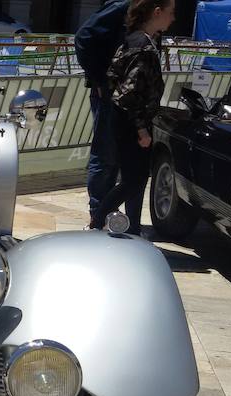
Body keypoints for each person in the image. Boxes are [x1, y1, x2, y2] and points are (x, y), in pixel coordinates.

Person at [90, 0, 175, 231]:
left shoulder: (133, 39)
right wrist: (141, 128)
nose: (173, 18)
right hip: (132, 123)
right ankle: (97, 222)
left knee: (133, 179)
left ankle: (132, 228)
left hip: (122, 119)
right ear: (157, 13)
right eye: (170, 12)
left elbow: (112, 76)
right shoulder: (144, 47)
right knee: (133, 180)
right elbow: (130, 92)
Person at [75, 0, 142, 231]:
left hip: (128, 95)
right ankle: (98, 217)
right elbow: (84, 37)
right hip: (109, 94)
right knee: (105, 156)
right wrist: (99, 79)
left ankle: (116, 219)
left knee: (121, 159)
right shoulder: (123, 6)